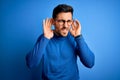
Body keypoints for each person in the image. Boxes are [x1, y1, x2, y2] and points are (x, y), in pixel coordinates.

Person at [26, 4, 95, 80]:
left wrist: (78, 37)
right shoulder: (44, 38)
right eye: (61, 21)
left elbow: (90, 63)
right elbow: (31, 64)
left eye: (69, 21)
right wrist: (45, 38)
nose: (65, 25)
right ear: (53, 22)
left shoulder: (74, 38)